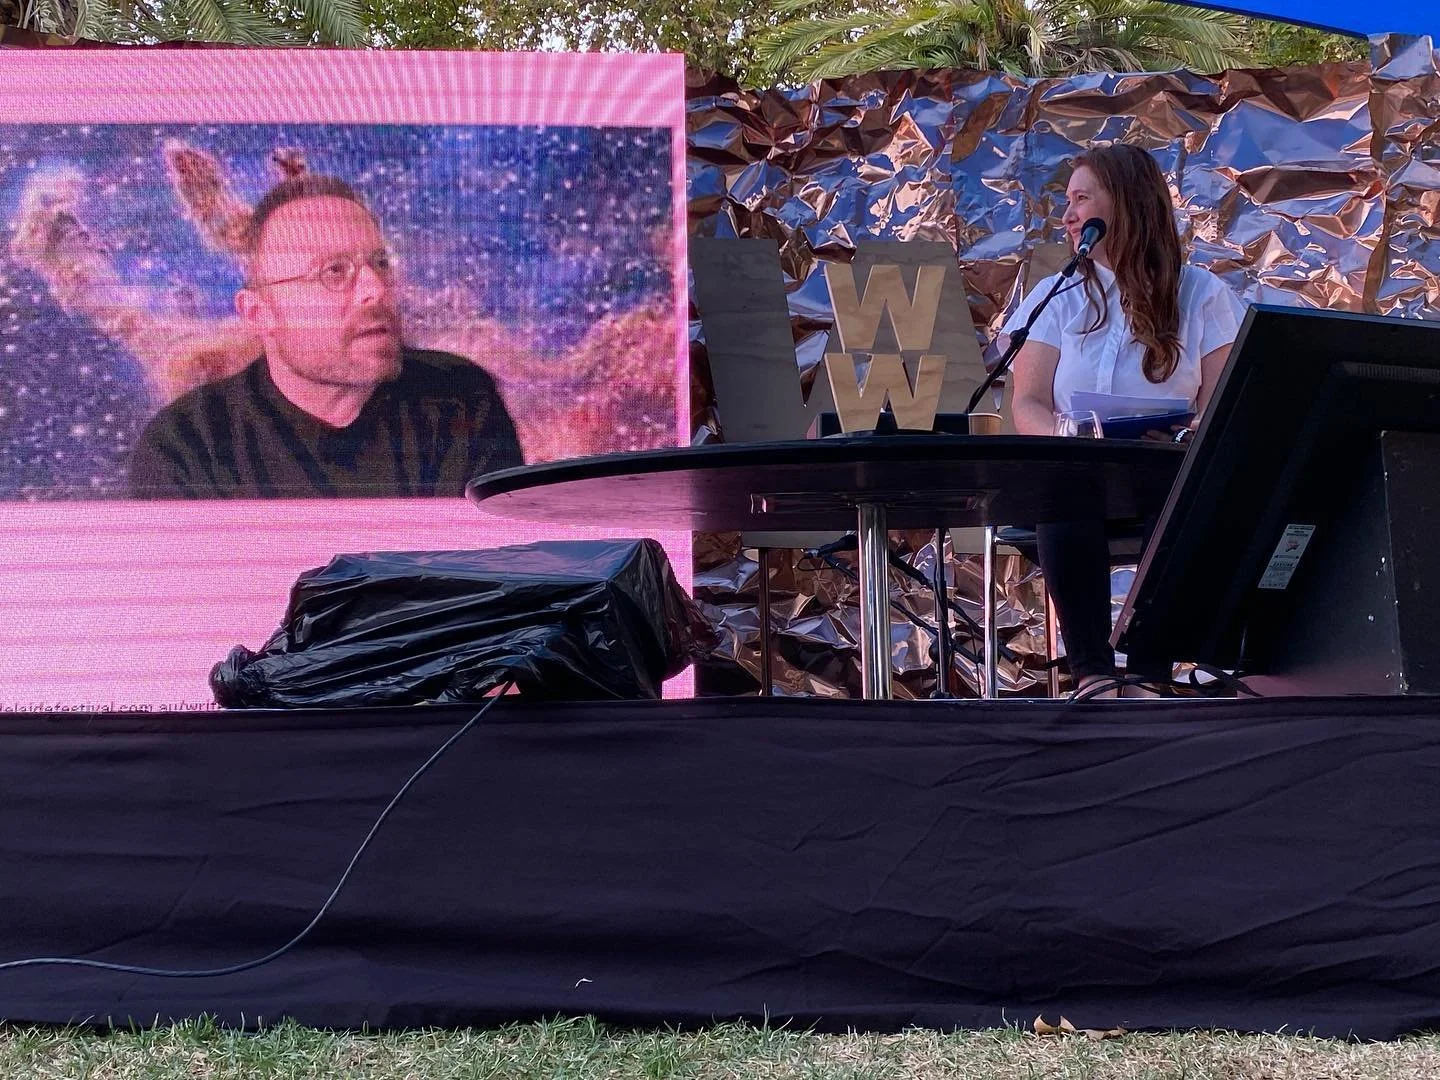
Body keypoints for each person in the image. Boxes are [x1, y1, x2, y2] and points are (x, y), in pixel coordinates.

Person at [1005, 144, 1248, 697]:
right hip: (1081, 468)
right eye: (1066, 201)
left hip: (1162, 469)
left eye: (1081, 199)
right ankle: (1093, 672)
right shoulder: (1057, 295)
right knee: (1063, 487)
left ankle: (1149, 670)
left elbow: (1217, 406)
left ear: (1127, 205)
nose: (1067, 215)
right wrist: (1065, 436)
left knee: (1195, 490)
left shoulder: (1202, 294)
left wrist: (1183, 437)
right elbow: (1029, 403)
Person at [128, 174, 524, 498]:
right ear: (260, 313)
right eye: (334, 271)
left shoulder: (462, 400)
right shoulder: (188, 445)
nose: (376, 289)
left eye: (380, 263)